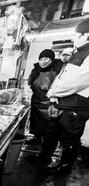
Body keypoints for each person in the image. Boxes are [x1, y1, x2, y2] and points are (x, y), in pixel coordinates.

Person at [40, 17, 89, 174]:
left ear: (87, 34)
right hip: (62, 103)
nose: (75, 37)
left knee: (70, 138)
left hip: (76, 106)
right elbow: (63, 78)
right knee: (51, 133)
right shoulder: (78, 53)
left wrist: (53, 92)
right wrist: (53, 96)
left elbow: (80, 81)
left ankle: (64, 168)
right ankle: (44, 160)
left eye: (79, 34)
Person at [26, 49, 63, 146]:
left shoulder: (57, 69)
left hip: (49, 103)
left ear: (51, 60)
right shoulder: (35, 69)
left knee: (49, 128)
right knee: (35, 124)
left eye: (46, 58)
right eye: (41, 59)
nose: (43, 61)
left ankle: (46, 147)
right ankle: (36, 139)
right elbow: (30, 84)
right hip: (36, 102)